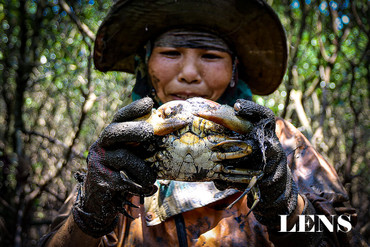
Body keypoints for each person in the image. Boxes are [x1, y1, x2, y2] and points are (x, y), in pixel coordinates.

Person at [40, 0, 358, 246]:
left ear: (234, 70)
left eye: (210, 56)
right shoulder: (124, 148)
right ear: (145, 63)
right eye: (171, 52)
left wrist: (286, 206)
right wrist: (91, 213)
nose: (190, 72)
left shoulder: (277, 140)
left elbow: (342, 229)